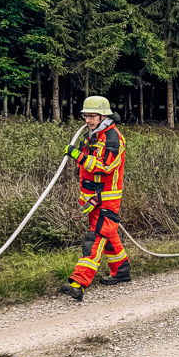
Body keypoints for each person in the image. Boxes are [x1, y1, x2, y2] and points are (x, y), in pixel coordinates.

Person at [60, 96, 130, 301]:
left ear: (103, 116)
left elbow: (106, 167)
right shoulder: (94, 135)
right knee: (109, 235)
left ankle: (78, 282)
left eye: (92, 116)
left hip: (107, 200)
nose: (88, 120)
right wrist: (79, 152)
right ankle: (122, 270)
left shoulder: (112, 138)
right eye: (86, 116)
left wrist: (78, 156)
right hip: (93, 199)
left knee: (96, 238)